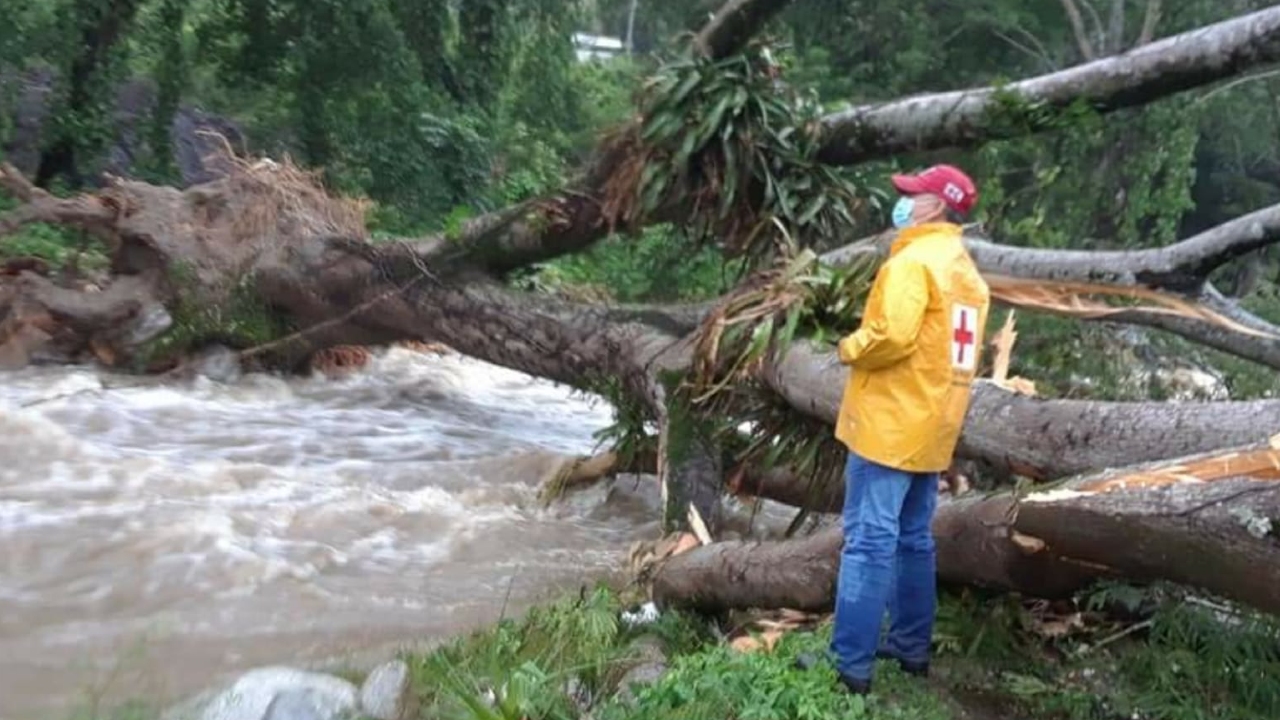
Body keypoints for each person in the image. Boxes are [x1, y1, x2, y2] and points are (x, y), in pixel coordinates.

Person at [798, 164, 991, 695]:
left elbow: (892, 336)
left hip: (891, 423)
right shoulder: (967, 274)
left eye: (913, 194)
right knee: (913, 539)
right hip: (934, 425)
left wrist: (847, 347)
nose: (903, 202)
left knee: (868, 540)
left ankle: (849, 664)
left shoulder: (913, 262)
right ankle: (910, 646)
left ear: (936, 206)